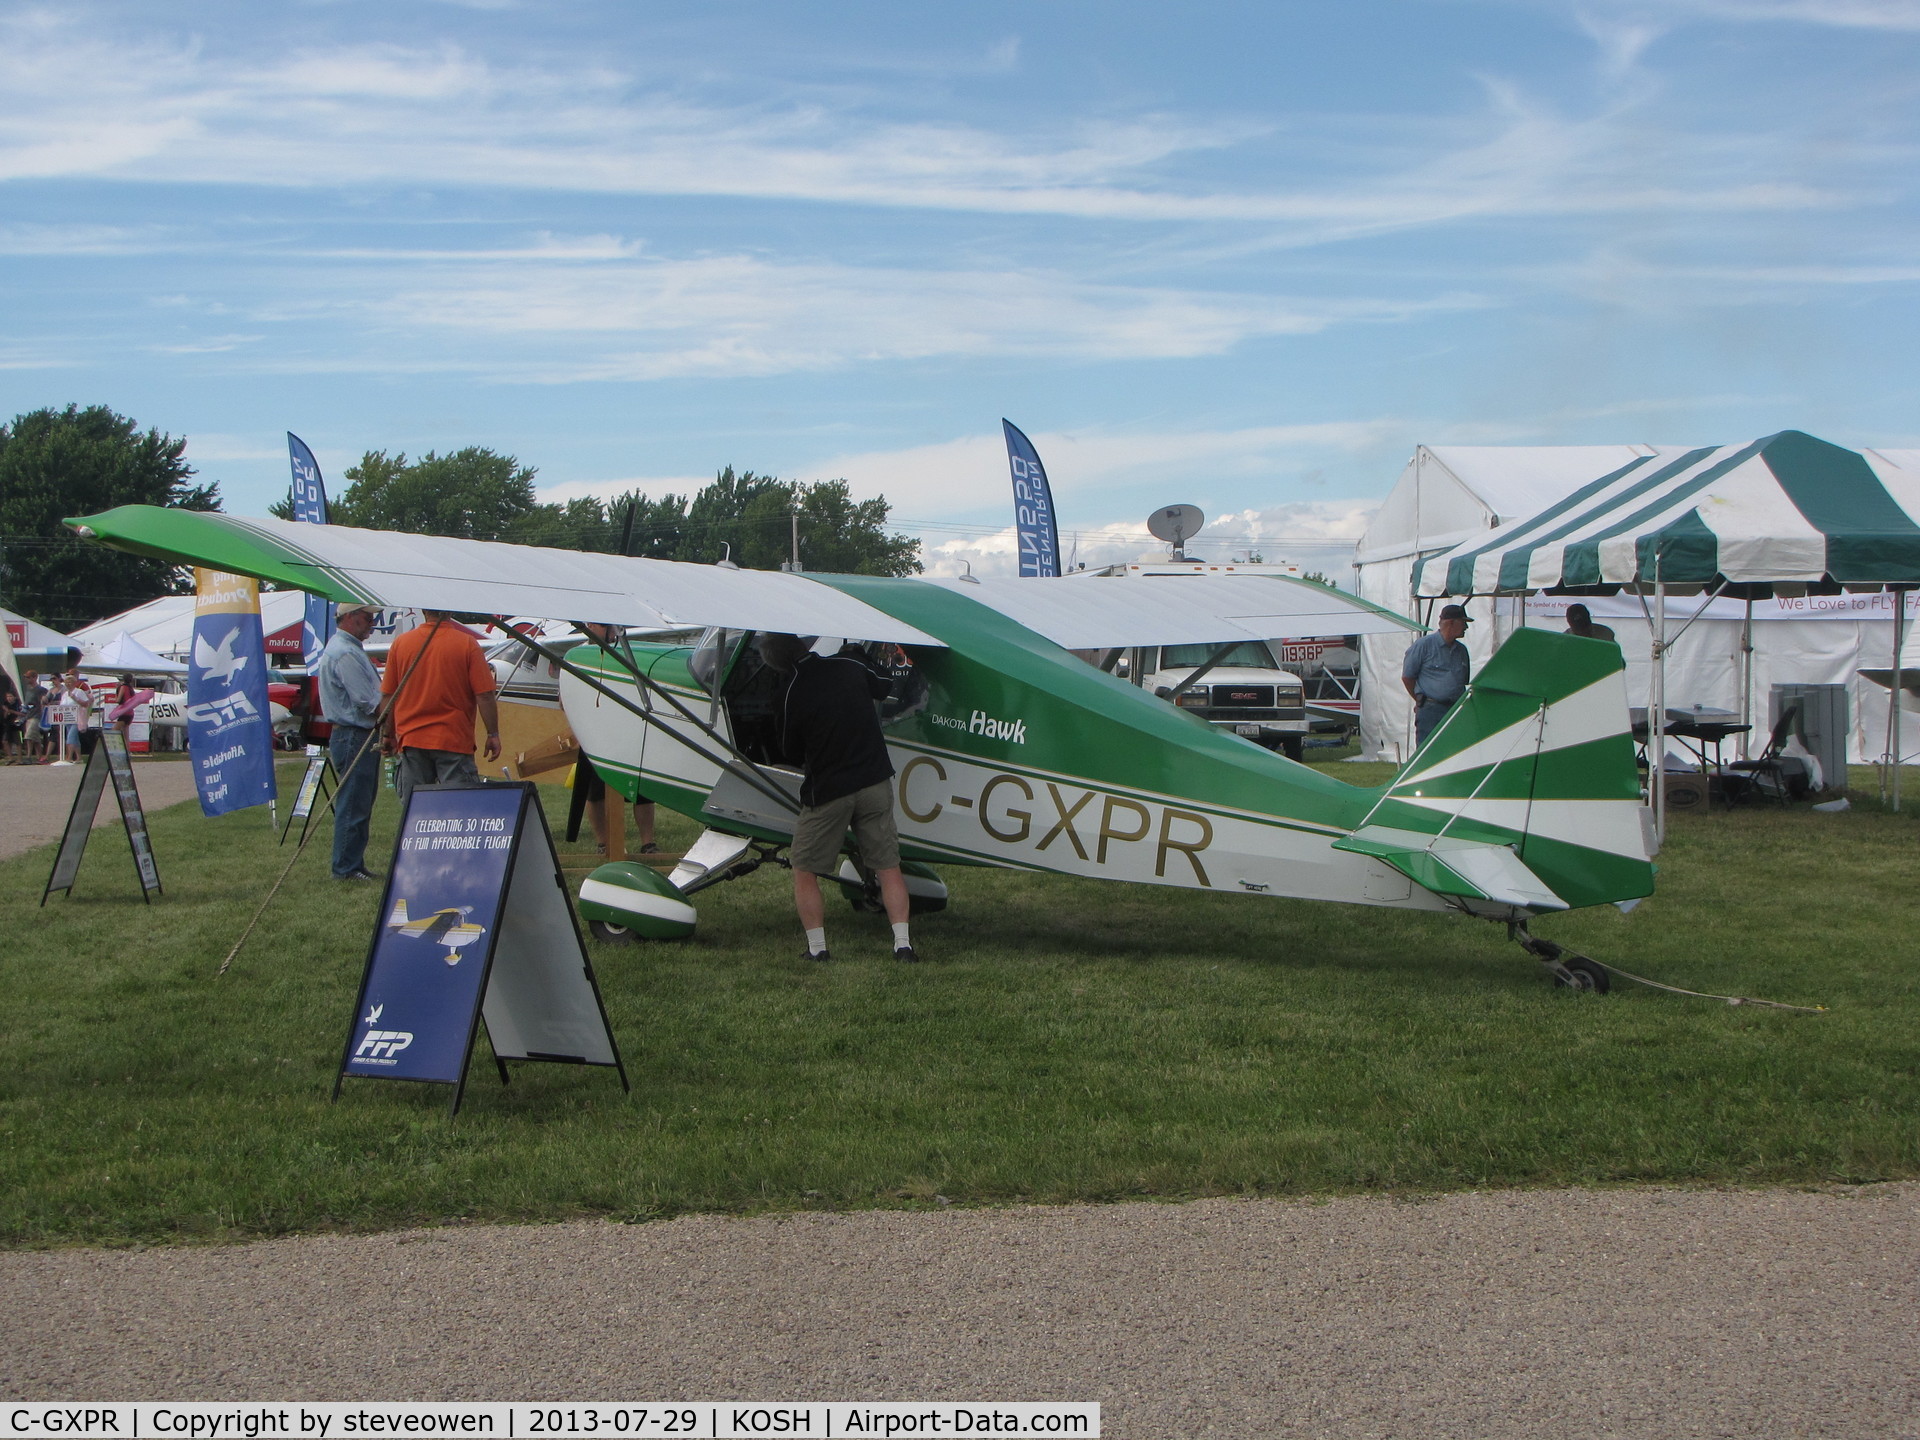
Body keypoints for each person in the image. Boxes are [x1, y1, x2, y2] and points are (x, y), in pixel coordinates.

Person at [758, 632, 916, 963]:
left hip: (829, 790)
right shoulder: (849, 664)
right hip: (874, 781)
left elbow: (789, 749)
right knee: (888, 866)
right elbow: (884, 685)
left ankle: (818, 949)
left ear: (777, 662)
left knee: (804, 868)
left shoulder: (789, 692)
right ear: (803, 645)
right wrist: (862, 654)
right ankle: (903, 945)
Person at [380, 610, 500, 804]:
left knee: (416, 810)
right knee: (459, 808)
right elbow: (485, 695)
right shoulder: (467, 644)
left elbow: (388, 695)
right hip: (453, 739)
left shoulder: (401, 644)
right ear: (449, 611)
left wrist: (387, 734)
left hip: (412, 740)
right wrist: (492, 734)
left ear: (423, 611)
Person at [575, 622, 658, 854]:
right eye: (605, 626)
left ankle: (647, 842)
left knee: (641, 789)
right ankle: (604, 843)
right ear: (590, 625)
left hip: (627, 730)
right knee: (595, 791)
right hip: (593, 732)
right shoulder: (579, 655)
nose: (611, 632)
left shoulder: (627, 652)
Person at [318, 602, 386, 882]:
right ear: (349, 618)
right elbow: (366, 700)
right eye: (367, 617)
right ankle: (345, 868)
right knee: (354, 803)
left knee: (360, 802)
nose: (372, 622)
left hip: (355, 734)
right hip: (353, 733)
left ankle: (353, 863)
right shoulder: (345, 652)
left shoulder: (348, 648)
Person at [1401, 604, 1473, 747]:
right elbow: (1407, 677)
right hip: (1431, 710)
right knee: (1428, 751)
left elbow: (1463, 681)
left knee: (1454, 750)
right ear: (1451, 622)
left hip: (1455, 710)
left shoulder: (1462, 651)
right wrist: (1421, 701)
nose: (1466, 627)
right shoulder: (1423, 646)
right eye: (1463, 622)